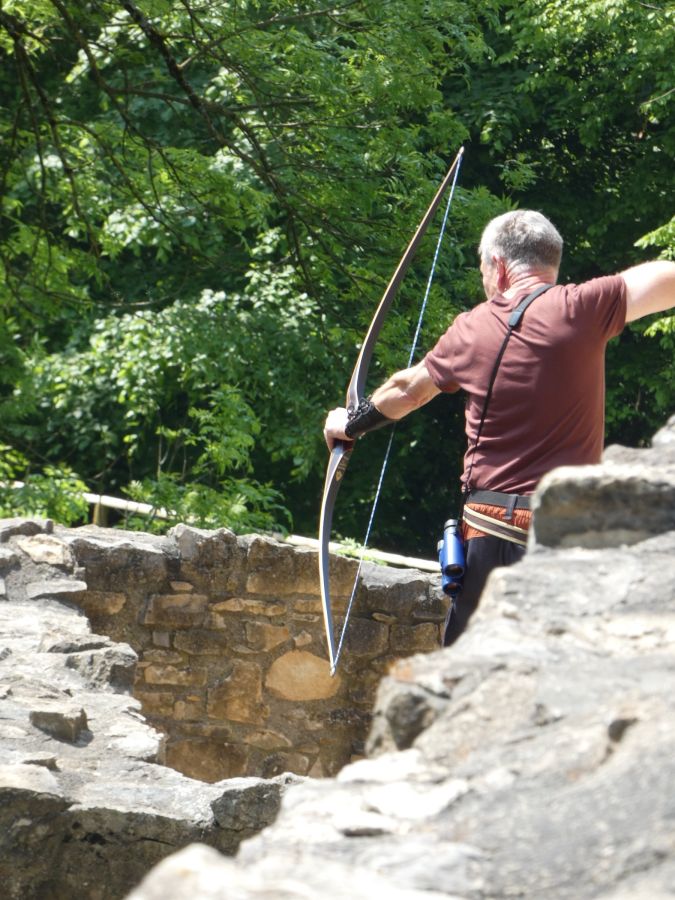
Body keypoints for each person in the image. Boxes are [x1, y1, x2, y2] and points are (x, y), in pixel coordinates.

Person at [323, 209, 675, 646]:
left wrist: (351, 422)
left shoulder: (473, 326)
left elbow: (408, 391)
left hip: (490, 533)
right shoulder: (583, 307)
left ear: (499, 265)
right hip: (566, 536)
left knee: (474, 671)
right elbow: (666, 277)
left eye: (483, 269)